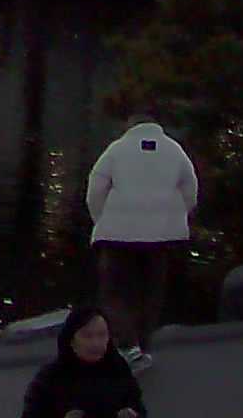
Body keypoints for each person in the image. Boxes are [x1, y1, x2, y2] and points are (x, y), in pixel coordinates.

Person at [83, 116, 196, 366]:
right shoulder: (174, 150)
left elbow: (96, 189)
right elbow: (190, 190)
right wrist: (175, 217)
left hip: (117, 236)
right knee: (151, 292)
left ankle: (126, 344)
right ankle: (141, 345)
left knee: (115, 292)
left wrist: (101, 219)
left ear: (129, 126)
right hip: (161, 237)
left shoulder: (116, 149)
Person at [22, 307, 142, 418]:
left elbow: (137, 406)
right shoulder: (50, 378)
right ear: (71, 340)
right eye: (87, 336)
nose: (96, 343)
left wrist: (132, 415)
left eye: (102, 335)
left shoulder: (118, 369)